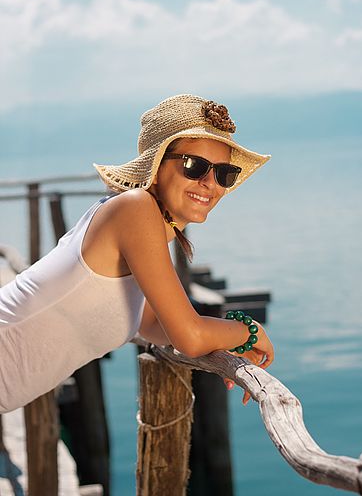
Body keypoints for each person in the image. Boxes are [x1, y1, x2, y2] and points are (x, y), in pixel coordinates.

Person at [0, 93, 274, 414]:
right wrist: (250, 330)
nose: (208, 183)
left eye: (223, 173)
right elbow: (189, 337)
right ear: (156, 166)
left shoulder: (149, 226)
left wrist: (228, 340)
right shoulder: (135, 208)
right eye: (193, 165)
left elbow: (153, 325)